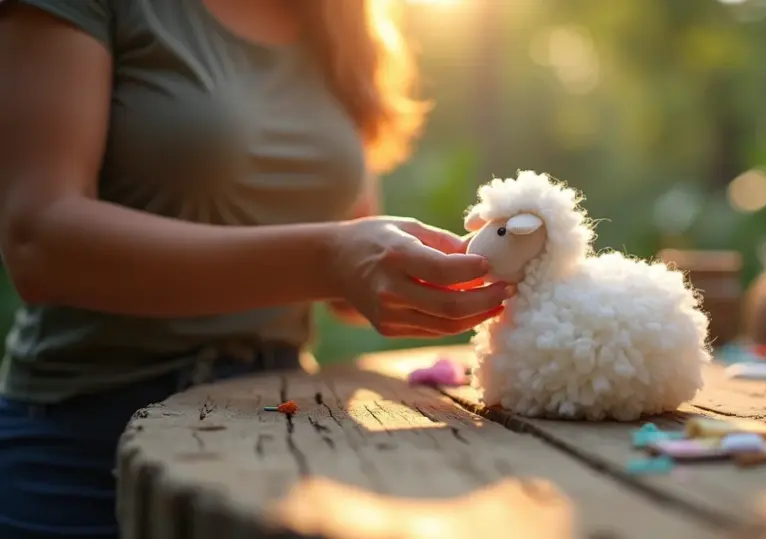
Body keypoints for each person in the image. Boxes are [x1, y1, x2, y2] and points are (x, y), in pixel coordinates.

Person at [0, 0, 510, 537]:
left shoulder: (343, 20)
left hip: (279, 429)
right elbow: (38, 242)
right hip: (84, 445)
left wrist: (450, 268)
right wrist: (329, 259)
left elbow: (346, 280)